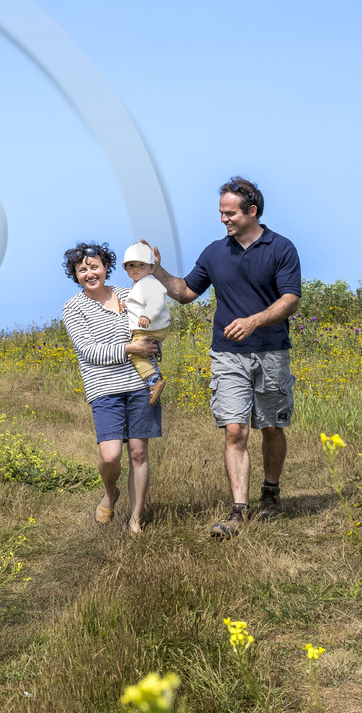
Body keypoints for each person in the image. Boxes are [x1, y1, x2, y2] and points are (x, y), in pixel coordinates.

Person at [142, 176, 301, 539]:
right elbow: (185, 293)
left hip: (271, 352)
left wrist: (254, 321)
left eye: (229, 213)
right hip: (228, 355)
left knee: (272, 427)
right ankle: (239, 511)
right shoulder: (215, 252)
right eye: (221, 213)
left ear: (252, 211)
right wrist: (157, 271)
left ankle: (271, 494)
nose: (223, 219)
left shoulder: (282, 248)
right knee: (235, 430)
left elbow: (291, 299)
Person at [60, 242, 161, 534]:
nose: (90, 273)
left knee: (139, 453)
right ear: (75, 275)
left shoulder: (129, 294)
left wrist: (152, 344)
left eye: (94, 267)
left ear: (106, 268)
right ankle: (111, 491)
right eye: (82, 270)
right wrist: (132, 347)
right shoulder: (73, 307)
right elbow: (90, 351)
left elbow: (151, 325)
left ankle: (135, 519)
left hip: (141, 383)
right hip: (103, 388)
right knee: (110, 455)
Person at [120, 242, 169, 405]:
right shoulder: (140, 283)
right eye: (131, 265)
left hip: (150, 327)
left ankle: (153, 380)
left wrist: (147, 315)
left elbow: (156, 301)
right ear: (125, 268)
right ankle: (155, 370)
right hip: (153, 327)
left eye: (141, 265)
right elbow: (140, 300)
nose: (136, 268)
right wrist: (129, 305)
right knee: (148, 353)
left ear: (152, 268)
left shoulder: (149, 283)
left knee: (135, 353)